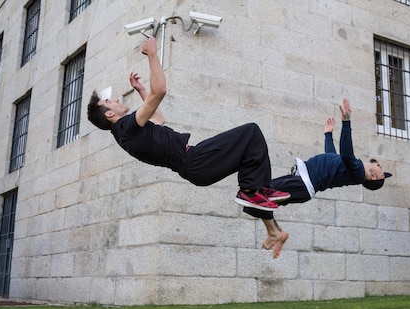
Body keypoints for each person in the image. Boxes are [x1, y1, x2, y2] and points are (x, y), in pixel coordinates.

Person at [87, 36, 289, 212]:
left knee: (249, 144)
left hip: (195, 164)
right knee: (251, 132)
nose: (115, 99)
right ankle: (250, 191)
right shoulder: (126, 128)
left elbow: (158, 119)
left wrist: (141, 90)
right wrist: (152, 55)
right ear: (110, 113)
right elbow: (160, 91)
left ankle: (257, 190)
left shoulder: (127, 133)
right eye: (108, 102)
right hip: (195, 161)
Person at [244, 98, 392, 258]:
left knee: (256, 196)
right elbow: (332, 156)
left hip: (302, 184)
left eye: (381, 172)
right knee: (256, 198)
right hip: (300, 182)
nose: (381, 167)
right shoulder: (352, 168)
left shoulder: (358, 173)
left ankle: (275, 233)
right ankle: (277, 232)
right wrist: (328, 135)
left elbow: (346, 153)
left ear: (372, 177)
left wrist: (346, 122)